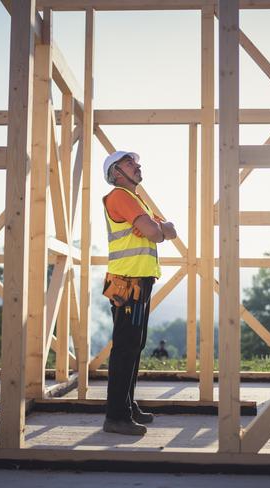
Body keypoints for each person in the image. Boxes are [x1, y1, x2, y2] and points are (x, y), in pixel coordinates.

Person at [101, 150, 177, 436]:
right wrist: (154, 228)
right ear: (116, 173)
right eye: (129, 162)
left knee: (135, 344)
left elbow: (170, 230)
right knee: (125, 347)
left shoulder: (137, 200)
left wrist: (154, 228)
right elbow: (159, 232)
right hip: (128, 281)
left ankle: (127, 406)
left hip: (139, 280)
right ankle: (116, 417)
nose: (137, 165)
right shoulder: (119, 196)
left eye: (135, 161)